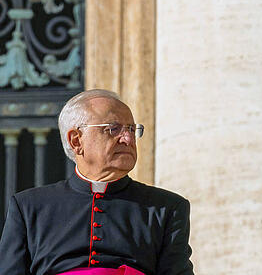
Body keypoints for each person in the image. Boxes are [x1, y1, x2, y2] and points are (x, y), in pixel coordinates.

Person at [0, 89, 194, 275]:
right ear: (76, 141)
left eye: (132, 129)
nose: (127, 138)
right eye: (113, 129)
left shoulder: (167, 208)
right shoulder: (29, 207)